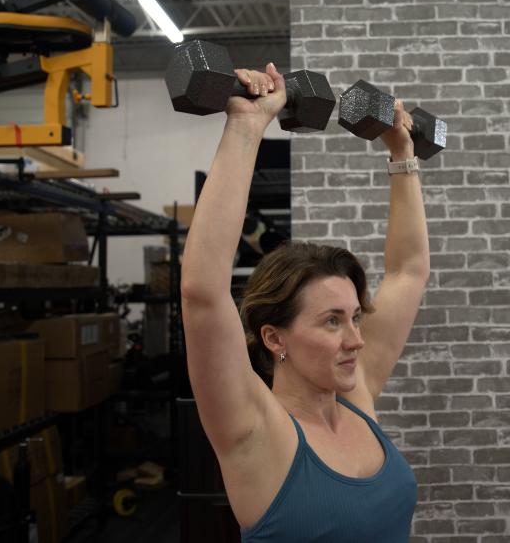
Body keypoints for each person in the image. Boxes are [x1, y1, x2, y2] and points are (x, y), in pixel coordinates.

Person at [180, 63, 430, 541]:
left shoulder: (356, 396)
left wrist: (401, 155)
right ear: (276, 337)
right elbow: (203, 292)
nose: (356, 340)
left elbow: (408, 271)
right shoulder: (254, 430)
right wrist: (247, 124)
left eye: (355, 317)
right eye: (332, 321)